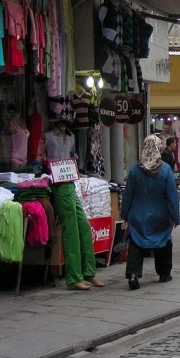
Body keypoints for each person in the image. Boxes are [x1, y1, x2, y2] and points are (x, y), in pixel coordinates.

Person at [43, 120, 104, 291]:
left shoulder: (71, 137)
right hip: (57, 184)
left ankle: (88, 272)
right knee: (71, 229)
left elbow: (73, 156)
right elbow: (41, 157)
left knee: (84, 226)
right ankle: (73, 276)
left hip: (70, 183)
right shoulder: (47, 136)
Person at [121, 135, 180, 290]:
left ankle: (133, 274)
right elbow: (172, 196)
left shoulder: (134, 169)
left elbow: (128, 195)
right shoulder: (165, 170)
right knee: (163, 242)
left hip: (138, 213)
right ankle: (164, 273)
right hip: (160, 214)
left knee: (136, 243)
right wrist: (175, 217)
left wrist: (124, 213)